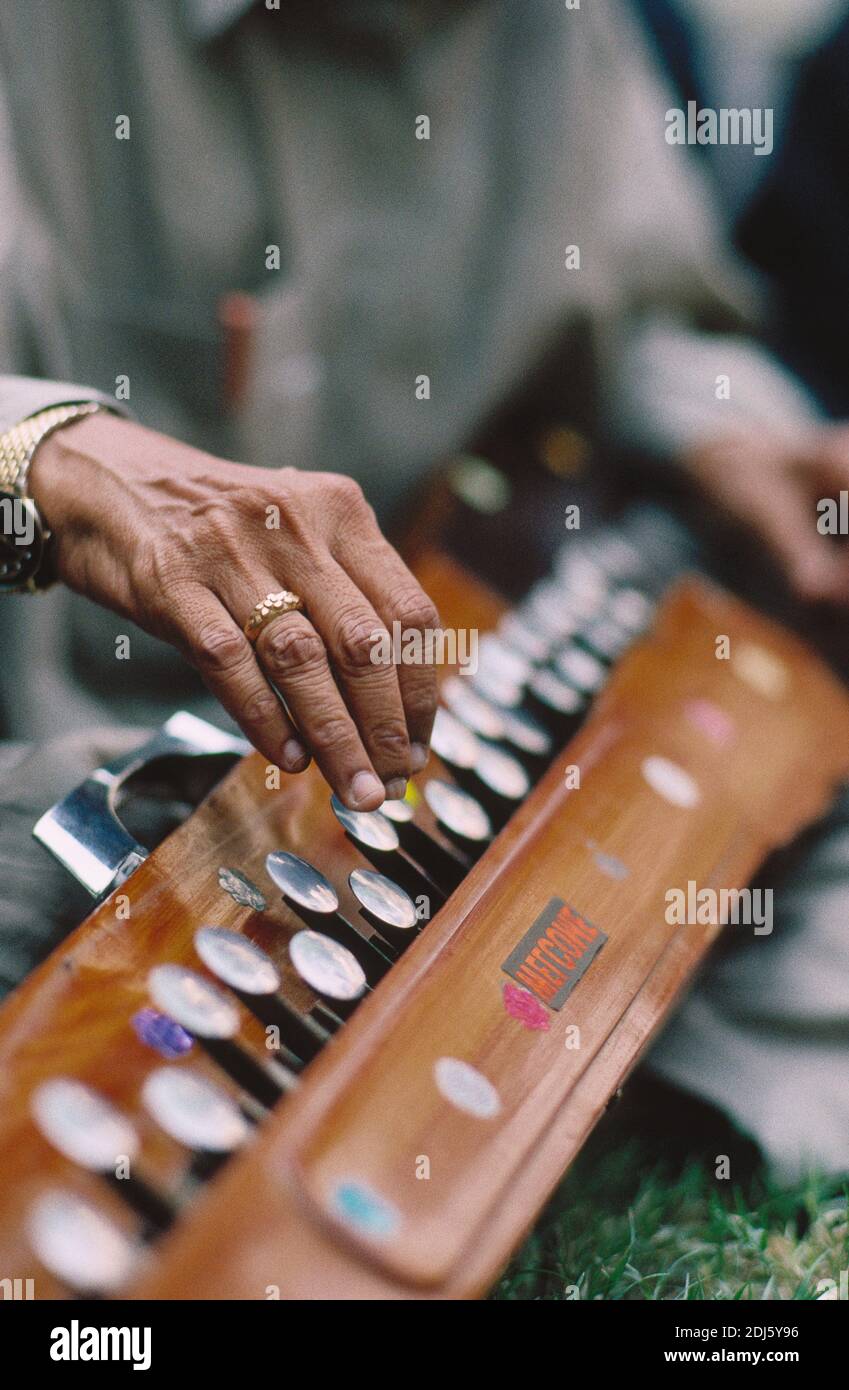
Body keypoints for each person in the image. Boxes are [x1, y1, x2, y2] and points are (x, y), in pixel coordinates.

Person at [0, 0, 847, 1177]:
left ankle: (607, 1079)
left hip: (446, 733)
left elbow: (645, 313)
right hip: (71, 770)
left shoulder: (554, 29)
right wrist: (49, 453)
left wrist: (732, 436)